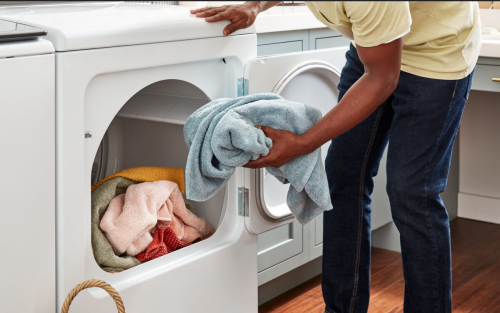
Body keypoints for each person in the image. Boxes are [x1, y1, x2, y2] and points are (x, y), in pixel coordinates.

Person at [192, 2, 481, 313]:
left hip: (436, 52)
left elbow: (383, 78)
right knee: (343, 177)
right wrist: (256, 5)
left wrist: (303, 143)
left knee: (411, 192)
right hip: (376, 45)